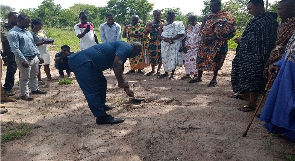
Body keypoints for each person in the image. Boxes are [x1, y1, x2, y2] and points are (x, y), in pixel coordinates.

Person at [68, 41, 142, 125]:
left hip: (90, 63)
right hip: (83, 63)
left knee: (102, 82)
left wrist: (124, 85)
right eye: (137, 54)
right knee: (92, 90)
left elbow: (120, 68)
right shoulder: (127, 47)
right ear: (136, 49)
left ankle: (101, 106)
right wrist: (120, 82)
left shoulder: (123, 47)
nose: (133, 57)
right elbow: (117, 64)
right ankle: (101, 117)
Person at [231, 0, 278, 112]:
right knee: (244, 75)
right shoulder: (258, 20)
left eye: (250, 9)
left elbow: (262, 41)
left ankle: (252, 103)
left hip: (257, 56)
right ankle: (245, 94)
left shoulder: (265, 22)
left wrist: (243, 40)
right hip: (248, 55)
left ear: (259, 6)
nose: (249, 11)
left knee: (254, 78)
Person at [259, 31, 295, 143]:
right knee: (284, 99)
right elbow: (289, 51)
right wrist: (278, 64)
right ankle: (287, 131)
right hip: (288, 69)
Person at [190, 0, 236, 86]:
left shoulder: (226, 16)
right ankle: (199, 77)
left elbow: (229, 30)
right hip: (205, 42)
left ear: (219, 6)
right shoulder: (207, 16)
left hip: (218, 42)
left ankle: (214, 79)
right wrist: (203, 38)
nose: (212, 8)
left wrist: (213, 38)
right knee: (201, 58)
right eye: (210, 6)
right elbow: (202, 28)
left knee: (216, 60)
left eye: (213, 6)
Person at [7, 14, 47, 101]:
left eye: (29, 22)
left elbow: (33, 45)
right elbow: (15, 49)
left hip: (34, 57)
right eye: (26, 22)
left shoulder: (28, 32)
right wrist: (23, 60)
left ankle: (34, 89)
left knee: (34, 75)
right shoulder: (13, 33)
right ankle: (24, 94)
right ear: (19, 21)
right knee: (24, 77)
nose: (29, 24)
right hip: (24, 58)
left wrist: (39, 56)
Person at [264, 0, 295, 88]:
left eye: (281, 9)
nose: (279, 12)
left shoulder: (292, 25)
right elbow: (276, 45)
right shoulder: (283, 25)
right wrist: (267, 65)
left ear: (292, 7)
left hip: (287, 62)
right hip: (275, 59)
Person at [158, 11, 185, 79]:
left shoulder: (178, 24)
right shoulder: (163, 25)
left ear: (174, 17)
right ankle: (166, 72)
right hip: (165, 44)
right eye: (168, 18)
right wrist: (165, 39)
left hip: (174, 44)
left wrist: (171, 39)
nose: (169, 20)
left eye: (171, 18)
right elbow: (159, 35)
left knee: (173, 58)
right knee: (165, 58)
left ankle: (172, 74)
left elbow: (181, 34)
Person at [1, 12, 18, 96]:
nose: (16, 20)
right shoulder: (3, 27)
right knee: (11, 70)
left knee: (20, 69)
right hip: (9, 52)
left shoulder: (17, 27)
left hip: (19, 51)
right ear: (9, 18)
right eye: (15, 18)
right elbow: (5, 38)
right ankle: (7, 88)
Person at [181, 15, 202, 80]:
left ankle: (196, 74)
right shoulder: (187, 28)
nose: (191, 22)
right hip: (188, 47)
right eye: (189, 20)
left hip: (197, 47)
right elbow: (184, 37)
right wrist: (183, 46)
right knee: (187, 61)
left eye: (192, 20)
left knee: (195, 61)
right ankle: (188, 74)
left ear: (196, 19)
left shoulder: (200, 26)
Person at [144, 10, 165, 76]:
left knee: (160, 56)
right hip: (152, 42)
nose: (156, 16)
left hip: (161, 42)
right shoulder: (150, 23)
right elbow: (145, 33)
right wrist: (149, 29)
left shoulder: (163, 23)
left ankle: (158, 70)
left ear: (160, 15)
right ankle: (153, 70)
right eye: (155, 15)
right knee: (152, 55)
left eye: (158, 15)